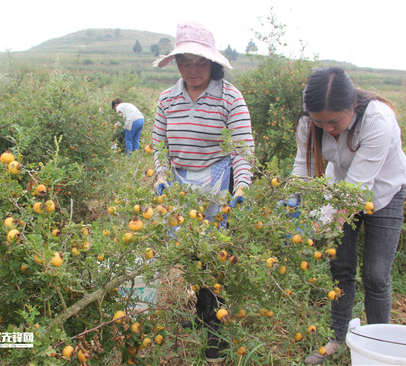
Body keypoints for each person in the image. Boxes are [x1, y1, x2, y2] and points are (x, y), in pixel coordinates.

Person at [151, 21, 254, 363]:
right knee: (190, 253)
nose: (192, 71)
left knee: (214, 256)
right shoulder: (167, 100)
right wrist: (162, 176)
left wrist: (241, 186)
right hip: (181, 183)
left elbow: (242, 149)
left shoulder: (230, 97)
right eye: (185, 62)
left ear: (213, 63)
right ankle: (201, 313)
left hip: (217, 179)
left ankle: (216, 331)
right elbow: (159, 147)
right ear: (176, 64)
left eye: (200, 62)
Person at [291, 67, 406, 365]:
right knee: (341, 270)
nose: (327, 128)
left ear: (353, 106)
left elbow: (356, 192)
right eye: (320, 121)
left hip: (383, 194)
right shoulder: (309, 122)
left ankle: (381, 346)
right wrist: (295, 205)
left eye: (334, 121)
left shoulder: (378, 120)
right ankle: (337, 339)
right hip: (339, 191)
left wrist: (317, 223)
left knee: (376, 275)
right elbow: (303, 168)